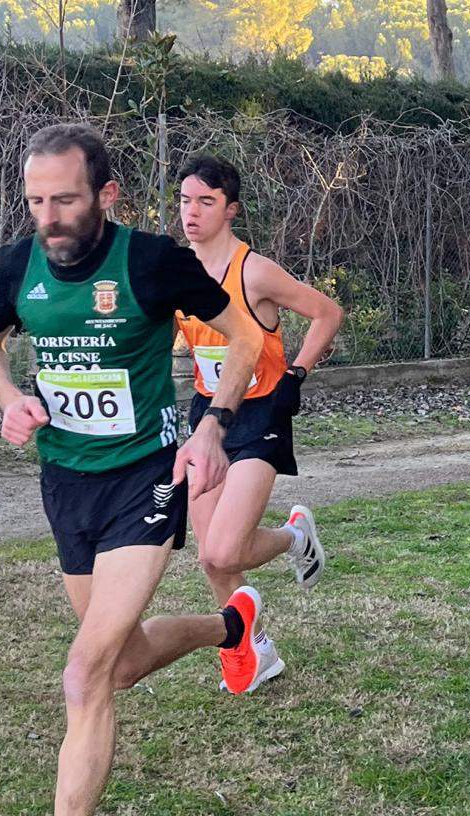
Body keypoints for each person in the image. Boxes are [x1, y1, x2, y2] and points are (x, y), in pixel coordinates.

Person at [0, 124, 275, 816]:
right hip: (65, 484)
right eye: (35, 201)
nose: (49, 217)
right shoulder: (15, 269)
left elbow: (245, 338)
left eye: (64, 199)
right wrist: (5, 399)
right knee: (124, 661)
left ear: (105, 194)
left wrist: (213, 429)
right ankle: (229, 629)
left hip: (145, 477)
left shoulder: (148, 261)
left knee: (84, 671)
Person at [176, 153, 343, 691]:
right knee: (213, 558)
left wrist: (295, 375)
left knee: (225, 547)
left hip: (262, 412)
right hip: (208, 417)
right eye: (185, 200)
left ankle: (295, 536)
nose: (192, 212)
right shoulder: (177, 272)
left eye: (206, 201)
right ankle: (258, 649)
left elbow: (327, 313)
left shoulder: (255, 271)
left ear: (231, 210)